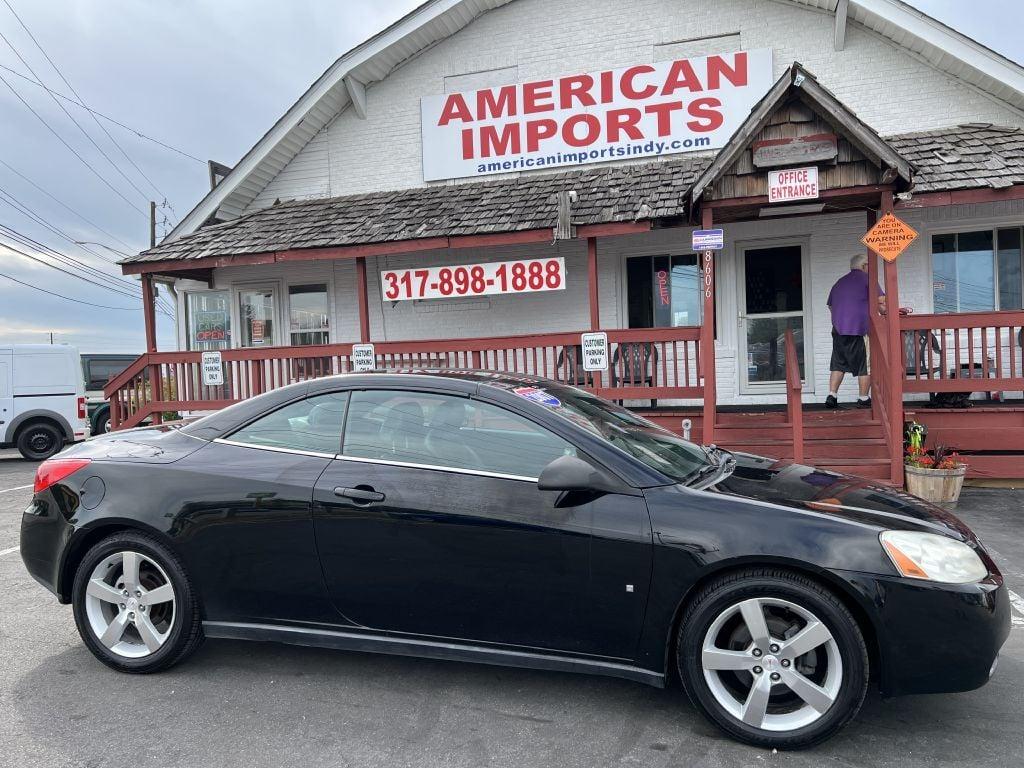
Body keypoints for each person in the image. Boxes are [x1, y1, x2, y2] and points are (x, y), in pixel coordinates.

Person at [825, 253, 885, 408]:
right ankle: (863, 398)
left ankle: (832, 395)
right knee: (865, 364)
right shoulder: (868, 279)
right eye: (869, 266)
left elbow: (830, 305)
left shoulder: (839, 282)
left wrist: (839, 319)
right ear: (864, 266)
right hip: (859, 329)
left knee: (838, 363)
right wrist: (886, 311)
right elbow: (881, 301)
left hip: (838, 329)